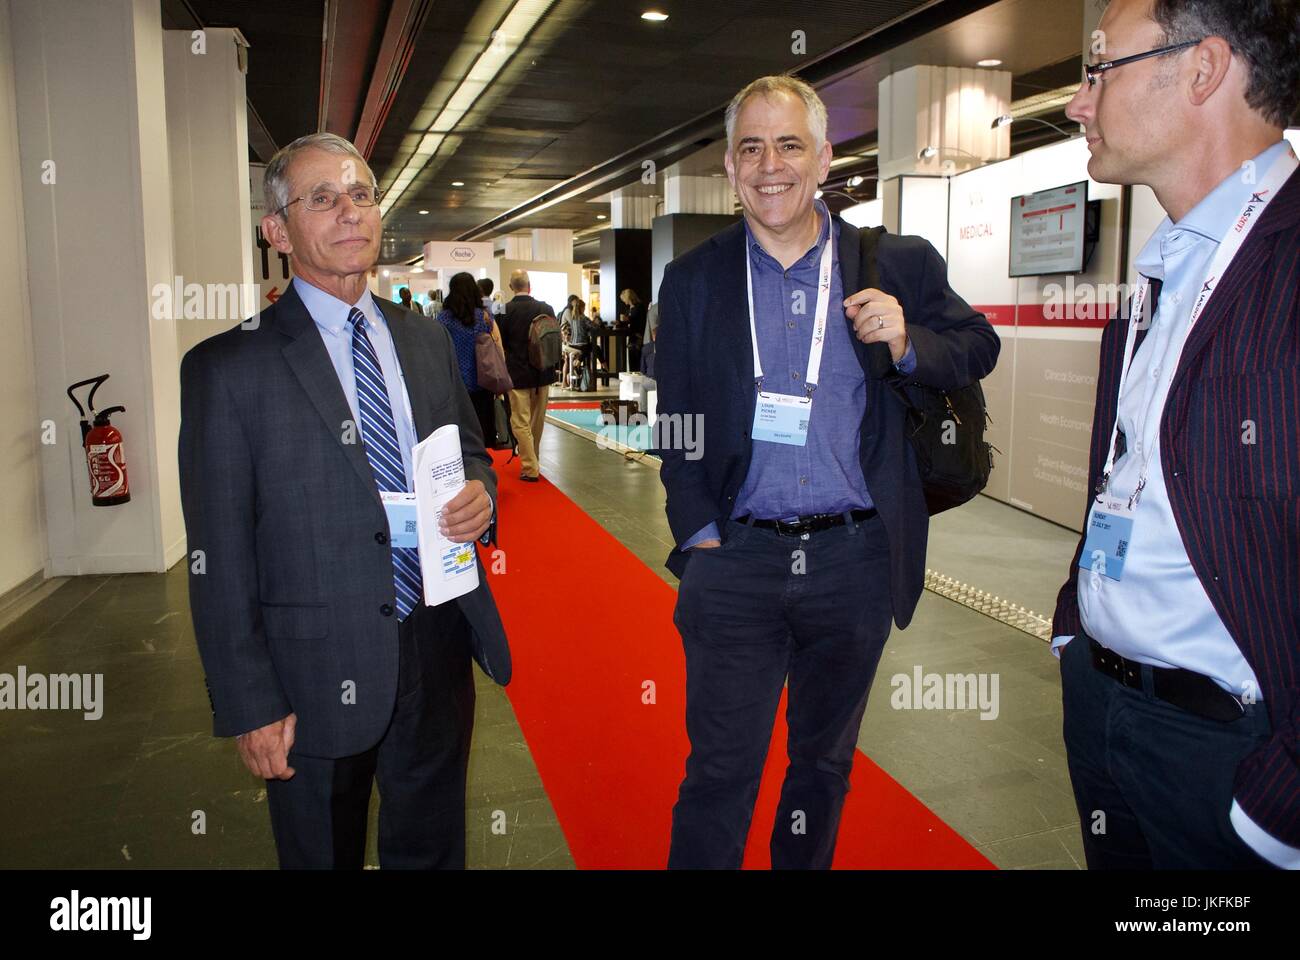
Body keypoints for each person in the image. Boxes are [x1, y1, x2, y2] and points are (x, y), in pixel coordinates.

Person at [656, 75, 998, 869]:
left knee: (823, 765)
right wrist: (696, 527)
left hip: (853, 559)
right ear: (732, 167)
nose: (769, 165)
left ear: (824, 158)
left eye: (788, 145)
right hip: (736, 559)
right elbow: (676, 419)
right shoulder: (697, 279)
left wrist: (911, 340)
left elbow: (977, 343)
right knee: (719, 769)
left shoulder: (894, 262)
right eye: (751, 148)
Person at [178, 132, 509, 869]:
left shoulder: (421, 341)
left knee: (432, 848)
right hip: (310, 672)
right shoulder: (227, 369)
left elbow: (472, 455)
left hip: (434, 642)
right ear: (277, 230)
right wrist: (249, 702)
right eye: (321, 198)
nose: (349, 212)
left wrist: (481, 496)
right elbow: (218, 557)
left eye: (360, 194)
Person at [1053, 0, 1300, 870]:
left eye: (1099, 70)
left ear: (1201, 70)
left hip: (1231, 757)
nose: (1079, 103)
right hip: (1106, 710)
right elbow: (1133, 477)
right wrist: (1074, 634)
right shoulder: (1162, 270)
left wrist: (1282, 801)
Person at [497, 269, 558, 482]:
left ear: (511, 286)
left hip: (517, 374)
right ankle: (534, 459)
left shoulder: (505, 311)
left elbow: (500, 344)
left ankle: (530, 466)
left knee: (520, 422)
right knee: (537, 420)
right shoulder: (546, 308)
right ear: (529, 285)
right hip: (543, 373)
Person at [436, 271, 503, 449]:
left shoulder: (444, 318)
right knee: (482, 430)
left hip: (454, 382)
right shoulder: (485, 316)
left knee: (456, 433)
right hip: (483, 380)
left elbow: (438, 350)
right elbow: (497, 347)